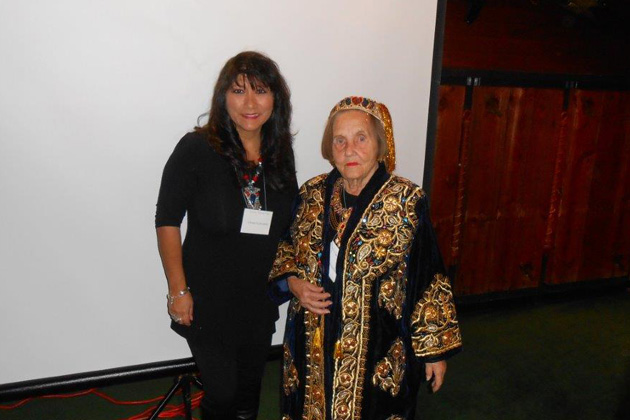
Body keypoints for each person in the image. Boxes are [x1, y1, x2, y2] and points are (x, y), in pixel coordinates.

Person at [268, 96, 462, 420]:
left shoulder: (405, 202)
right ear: (330, 149)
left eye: (361, 138)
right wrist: (293, 283)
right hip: (310, 341)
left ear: (380, 144)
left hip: (377, 348)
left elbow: (428, 279)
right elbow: (284, 246)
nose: (349, 149)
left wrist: (434, 352)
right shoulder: (311, 194)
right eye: (339, 140)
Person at [155, 51, 298, 420]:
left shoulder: (280, 154)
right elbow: (167, 220)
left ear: (275, 99)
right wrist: (178, 290)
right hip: (208, 299)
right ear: (224, 98)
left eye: (261, 91)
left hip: (257, 299)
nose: (250, 103)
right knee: (223, 392)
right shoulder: (196, 149)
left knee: (249, 394)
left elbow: (287, 225)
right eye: (238, 91)